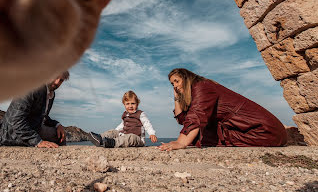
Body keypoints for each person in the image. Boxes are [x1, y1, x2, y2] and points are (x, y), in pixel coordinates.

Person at [158, 68, 287, 151]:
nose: (174, 86)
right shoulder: (196, 91)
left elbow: (196, 115)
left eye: (176, 81)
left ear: (186, 78)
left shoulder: (202, 86)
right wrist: (176, 97)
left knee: (200, 139)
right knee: (200, 138)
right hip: (248, 131)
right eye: (172, 84)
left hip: (263, 131)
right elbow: (183, 119)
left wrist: (181, 142)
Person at [0, 71, 70, 148]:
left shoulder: (50, 94)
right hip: (10, 134)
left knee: (60, 135)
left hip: (33, 128)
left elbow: (42, 116)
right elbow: (16, 120)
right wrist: (37, 141)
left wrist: (57, 124)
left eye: (61, 80)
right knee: (55, 139)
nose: (57, 82)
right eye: (56, 77)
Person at [88, 90, 158, 148]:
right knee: (113, 131)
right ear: (124, 104)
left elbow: (147, 124)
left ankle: (112, 142)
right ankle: (100, 138)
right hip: (124, 135)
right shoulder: (125, 114)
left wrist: (152, 133)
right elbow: (122, 125)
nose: (130, 106)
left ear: (137, 104)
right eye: (127, 104)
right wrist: (115, 132)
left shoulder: (140, 114)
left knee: (131, 137)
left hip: (137, 139)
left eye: (133, 103)